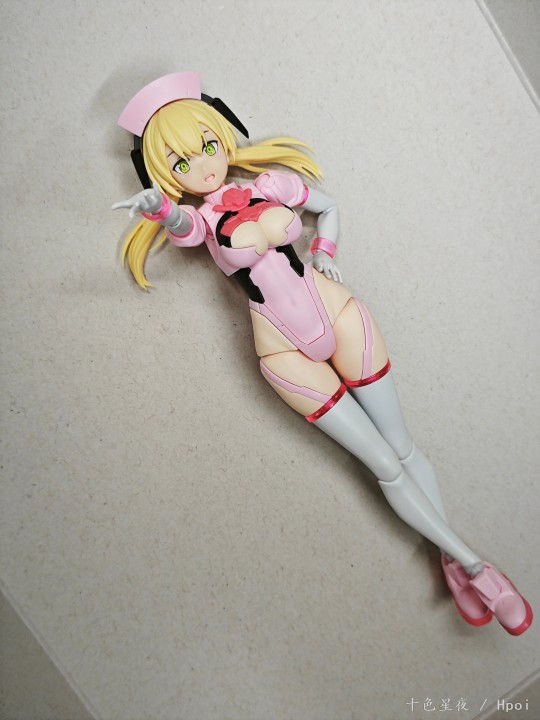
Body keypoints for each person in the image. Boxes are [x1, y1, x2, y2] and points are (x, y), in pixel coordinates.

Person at [113, 72, 532, 635]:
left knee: (403, 447)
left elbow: (328, 206)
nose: (203, 165)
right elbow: (182, 226)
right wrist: (159, 210)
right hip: (283, 351)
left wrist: (325, 250)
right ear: (166, 175)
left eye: (207, 145)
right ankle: (477, 568)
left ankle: (453, 562)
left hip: (336, 311)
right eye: (181, 162)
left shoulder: (270, 184)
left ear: (223, 131)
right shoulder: (205, 221)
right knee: (384, 465)